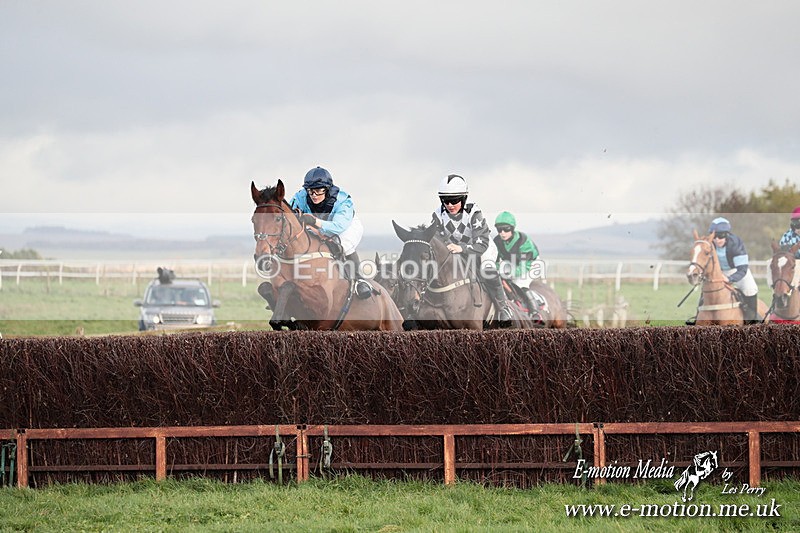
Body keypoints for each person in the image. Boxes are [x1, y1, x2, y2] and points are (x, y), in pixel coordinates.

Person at [431, 174, 513, 326]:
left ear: (463, 198)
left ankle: (503, 308)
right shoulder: (437, 215)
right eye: (445, 200)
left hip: (482, 248)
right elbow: (437, 240)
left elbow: (481, 243)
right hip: (455, 250)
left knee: (487, 270)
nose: (449, 205)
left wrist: (461, 248)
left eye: (454, 200)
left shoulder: (474, 213)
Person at [289, 166, 372, 299]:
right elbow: (290, 214)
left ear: (327, 189)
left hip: (345, 227)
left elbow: (338, 227)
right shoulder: (301, 196)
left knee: (341, 245)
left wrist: (314, 222)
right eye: (310, 191)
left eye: (318, 190)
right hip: (317, 225)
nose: (314, 195)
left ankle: (359, 280)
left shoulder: (342, 201)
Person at [708, 217, 760, 324]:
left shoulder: (735, 244)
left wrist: (730, 278)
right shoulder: (709, 244)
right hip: (719, 272)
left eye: (720, 236)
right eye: (714, 236)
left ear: (727, 235)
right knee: (708, 290)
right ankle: (699, 316)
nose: (717, 240)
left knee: (750, 289)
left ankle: (752, 320)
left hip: (737, 271)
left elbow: (742, 269)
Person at [493, 211, 542, 319]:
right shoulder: (497, 241)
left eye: (506, 229)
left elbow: (524, 267)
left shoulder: (523, 241)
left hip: (531, 263)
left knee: (520, 283)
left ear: (512, 228)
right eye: (499, 229)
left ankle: (535, 312)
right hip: (513, 263)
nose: (502, 233)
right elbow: (495, 261)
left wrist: (510, 274)